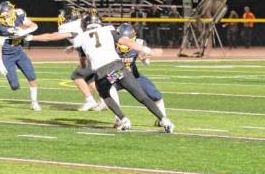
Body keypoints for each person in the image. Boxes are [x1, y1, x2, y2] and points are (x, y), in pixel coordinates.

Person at [29, 11, 174, 133]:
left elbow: (83, 62)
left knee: (105, 95)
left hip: (105, 74)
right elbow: (124, 41)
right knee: (141, 96)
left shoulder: (81, 38)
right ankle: (165, 120)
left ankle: (123, 119)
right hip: (119, 69)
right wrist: (146, 49)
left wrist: (82, 57)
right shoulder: (109, 30)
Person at [26, 6, 106, 111]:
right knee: (88, 77)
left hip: (92, 55)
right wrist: (74, 46)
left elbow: (51, 37)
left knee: (76, 75)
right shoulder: (81, 22)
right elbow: (82, 38)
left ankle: (90, 101)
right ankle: (104, 100)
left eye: (63, 16)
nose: (61, 18)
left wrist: (32, 37)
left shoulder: (69, 26)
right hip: (100, 53)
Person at [116, 23, 168, 126]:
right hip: (117, 74)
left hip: (132, 74)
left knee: (156, 95)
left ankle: (163, 118)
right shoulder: (110, 44)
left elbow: (144, 59)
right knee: (107, 91)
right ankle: (119, 118)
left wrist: (144, 58)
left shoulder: (139, 43)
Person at [0, 1, 41, 111]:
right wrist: (0, 64)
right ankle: (12, 79)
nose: (4, 19)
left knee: (32, 77)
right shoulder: (2, 27)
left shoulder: (19, 15)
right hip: (7, 56)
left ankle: (34, 102)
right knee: (15, 86)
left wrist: (25, 31)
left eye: (6, 16)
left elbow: (35, 25)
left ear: (11, 12)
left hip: (19, 52)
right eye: (2, 17)